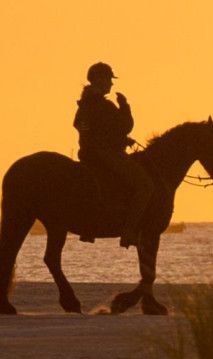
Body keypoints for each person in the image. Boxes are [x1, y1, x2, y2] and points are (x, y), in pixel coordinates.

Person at [74, 62, 153, 248]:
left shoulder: (86, 103)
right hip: (106, 156)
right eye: (109, 79)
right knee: (145, 185)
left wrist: (120, 140)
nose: (111, 84)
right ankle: (129, 232)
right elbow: (125, 126)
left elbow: (87, 128)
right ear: (100, 80)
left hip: (90, 154)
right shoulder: (103, 105)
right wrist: (125, 106)